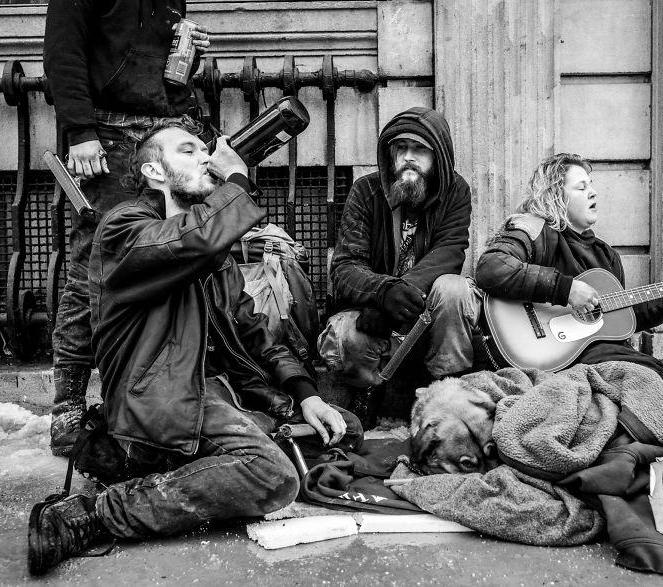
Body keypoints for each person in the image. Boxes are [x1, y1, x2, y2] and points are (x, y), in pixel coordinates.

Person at [27, 122, 360, 575]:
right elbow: (187, 239)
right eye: (188, 151)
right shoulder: (123, 229)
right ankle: (97, 513)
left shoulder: (212, 252)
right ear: (154, 172)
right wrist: (237, 178)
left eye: (206, 150)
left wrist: (307, 396)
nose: (206, 157)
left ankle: (167, 465)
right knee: (273, 477)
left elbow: (257, 335)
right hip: (165, 400)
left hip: (221, 394)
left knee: (343, 430)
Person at [43, 0, 211, 456]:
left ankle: (145, 398)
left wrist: (189, 59)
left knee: (175, 257)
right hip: (108, 138)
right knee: (90, 272)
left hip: (163, 133)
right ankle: (68, 408)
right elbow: (63, 56)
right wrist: (80, 131)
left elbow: (168, 73)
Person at [475, 152, 663, 394]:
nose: (593, 193)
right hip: (550, 355)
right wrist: (566, 289)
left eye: (591, 185)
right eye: (581, 187)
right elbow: (492, 267)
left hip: (601, 354)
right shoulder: (535, 231)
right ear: (555, 196)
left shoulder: (606, 255)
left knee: (662, 382)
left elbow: (621, 318)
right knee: (651, 376)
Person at [319, 107, 480, 391]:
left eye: (420, 149)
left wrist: (399, 293)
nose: (408, 157)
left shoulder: (456, 191)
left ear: (439, 156)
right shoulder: (365, 191)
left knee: (455, 289)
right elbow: (345, 266)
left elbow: (449, 252)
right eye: (401, 148)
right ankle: (369, 395)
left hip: (424, 312)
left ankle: (446, 389)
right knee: (345, 336)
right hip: (371, 314)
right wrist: (382, 293)